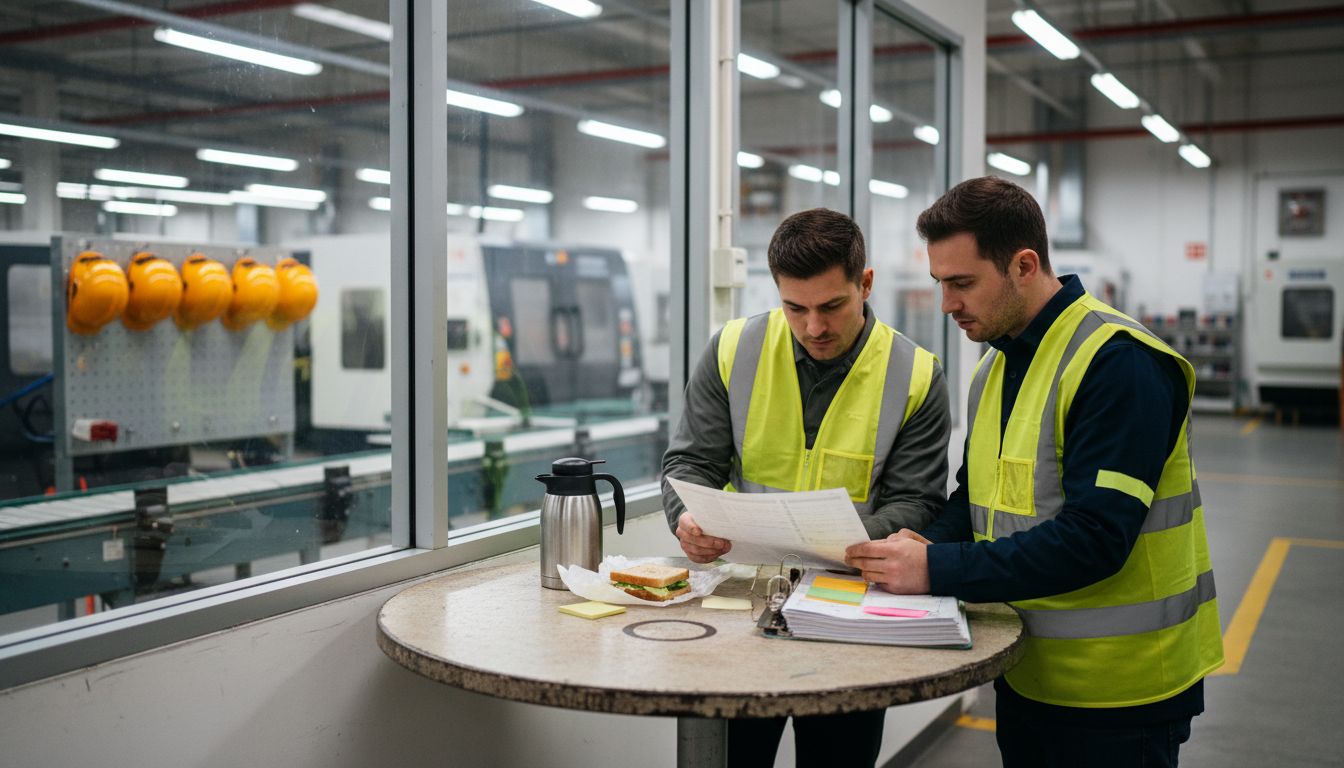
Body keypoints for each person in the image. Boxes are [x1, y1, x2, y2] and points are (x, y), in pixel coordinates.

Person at [845, 176, 1224, 767]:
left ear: (1024, 265)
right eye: (941, 283)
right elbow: (975, 500)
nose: (947, 304)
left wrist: (936, 569)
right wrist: (920, 546)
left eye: (962, 283)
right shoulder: (995, 368)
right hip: (1029, 674)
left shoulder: (1119, 363)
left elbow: (1097, 537)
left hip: (1121, 694)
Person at [662, 207, 951, 768]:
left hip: (852, 611)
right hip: (746, 607)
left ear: (865, 284)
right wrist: (686, 519)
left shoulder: (916, 374)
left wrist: (838, 543)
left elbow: (918, 501)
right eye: (795, 308)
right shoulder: (733, 350)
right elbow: (690, 462)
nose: (814, 327)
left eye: (831, 306)